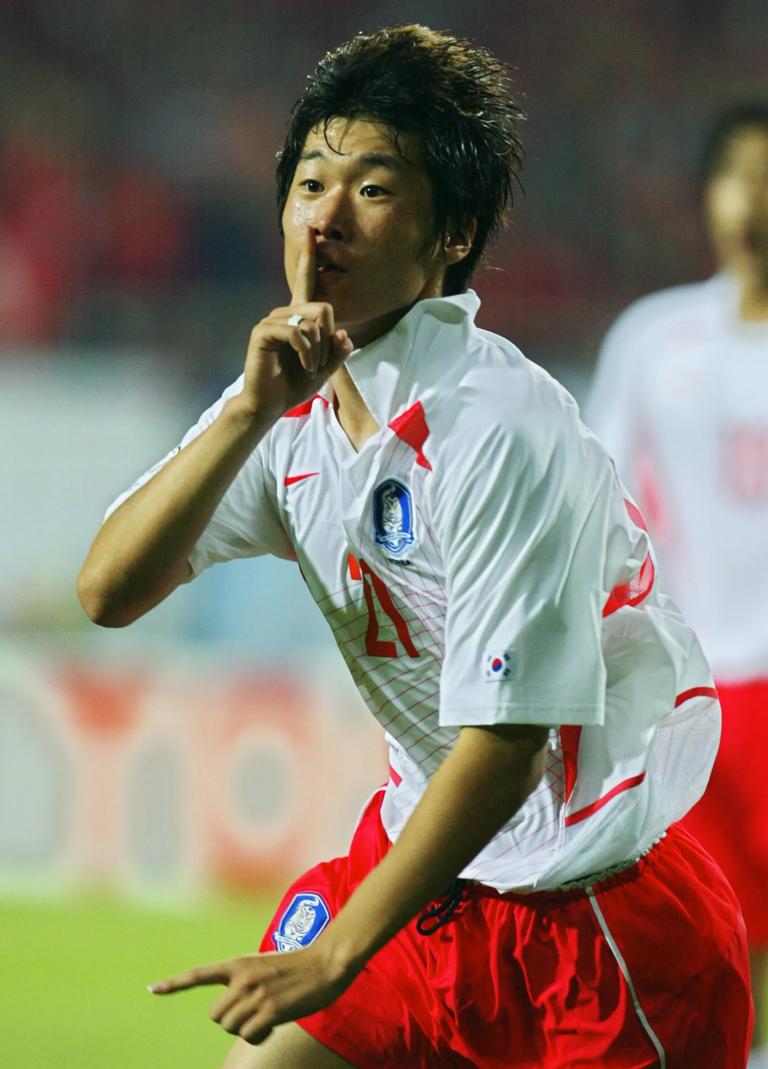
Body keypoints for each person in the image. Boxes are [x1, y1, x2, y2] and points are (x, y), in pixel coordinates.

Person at [77, 26, 752, 1069]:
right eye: (309, 180)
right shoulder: (288, 400)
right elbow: (109, 589)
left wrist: (341, 948)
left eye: (374, 188)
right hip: (427, 873)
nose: (325, 217)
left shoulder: (499, 423)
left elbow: (507, 742)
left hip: (594, 918)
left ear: (455, 232)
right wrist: (244, 415)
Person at [586, 102, 768, 1068]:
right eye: (740, 173)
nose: (757, 198)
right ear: (707, 195)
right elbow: (598, 503)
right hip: (691, 696)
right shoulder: (655, 341)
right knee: (712, 944)